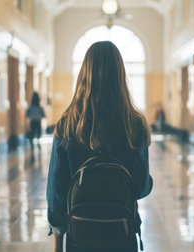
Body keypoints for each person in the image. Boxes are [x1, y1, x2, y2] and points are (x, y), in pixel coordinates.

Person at [46, 41, 153, 252]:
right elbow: (141, 187)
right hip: (122, 233)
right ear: (120, 75)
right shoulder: (135, 124)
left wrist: (58, 237)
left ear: (84, 74)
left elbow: (56, 190)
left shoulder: (67, 124)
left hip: (80, 234)